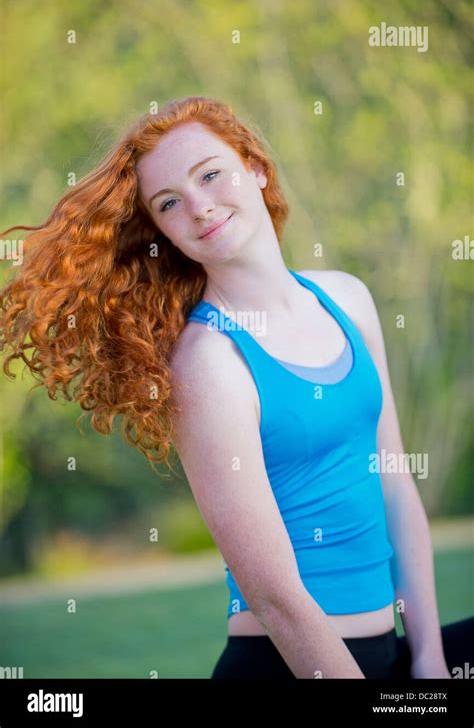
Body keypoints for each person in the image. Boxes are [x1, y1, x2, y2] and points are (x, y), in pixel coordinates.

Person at [1, 95, 472, 679]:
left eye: (210, 174)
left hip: (389, 652)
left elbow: (394, 482)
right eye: (170, 203)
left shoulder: (347, 297)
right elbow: (275, 597)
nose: (198, 207)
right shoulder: (210, 363)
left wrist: (429, 660)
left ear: (256, 167)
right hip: (286, 662)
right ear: (164, 232)